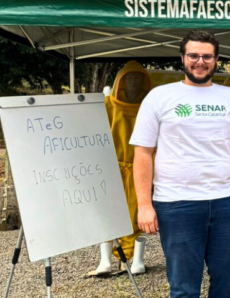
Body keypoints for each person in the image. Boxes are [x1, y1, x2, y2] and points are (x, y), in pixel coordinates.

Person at [130, 30, 230, 298]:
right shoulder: (159, 97)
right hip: (177, 205)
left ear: (216, 60)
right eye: (194, 55)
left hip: (226, 202)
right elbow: (143, 153)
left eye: (207, 56)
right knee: (183, 288)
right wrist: (144, 205)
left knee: (228, 284)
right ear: (183, 58)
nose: (200, 61)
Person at [91, 61, 152, 276]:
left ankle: (137, 260)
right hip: (111, 168)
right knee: (109, 213)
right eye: (129, 78)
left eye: (137, 78)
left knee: (139, 214)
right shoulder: (107, 105)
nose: (133, 81)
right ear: (122, 81)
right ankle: (105, 260)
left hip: (140, 168)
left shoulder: (150, 106)